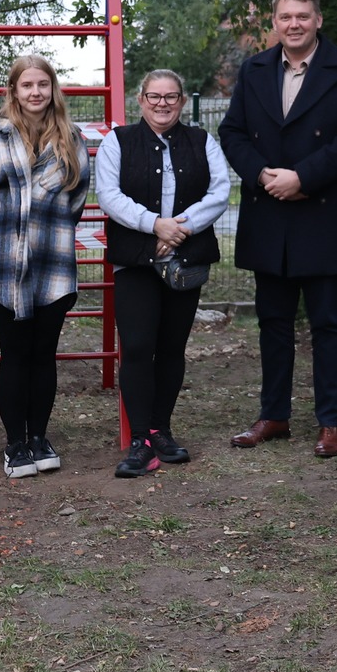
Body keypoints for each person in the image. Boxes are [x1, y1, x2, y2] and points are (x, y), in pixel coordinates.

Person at [217, 0, 337, 458]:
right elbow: (232, 132)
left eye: (302, 16)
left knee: (328, 324)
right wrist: (261, 174)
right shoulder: (254, 70)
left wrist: (304, 178)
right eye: (286, 16)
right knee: (273, 323)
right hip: (270, 214)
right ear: (275, 22)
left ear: (318, 20)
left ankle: (330, 422)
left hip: (324, 215)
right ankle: (274, 416)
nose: (294, 24)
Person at [94, 69, 232, 477]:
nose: (162, 104)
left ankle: (161, 430)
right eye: (154, 96)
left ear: (182, 102)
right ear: (140, 100)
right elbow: (109, 195)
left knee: (172, 348)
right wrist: (154, 225)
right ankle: (140, 440)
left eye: (171, 96)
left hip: (185, 258)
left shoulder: (202, 141)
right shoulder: (118, 141)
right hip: (135, 260)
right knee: (137, 346)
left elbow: (220, 192)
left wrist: (178, 229)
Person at [0, 53, 91, 479]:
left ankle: (40, 438)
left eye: (43, 84)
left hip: (54, 265)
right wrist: (0, 238)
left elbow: (76, 199)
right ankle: (15, 444)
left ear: (53, 89)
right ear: (14, 91)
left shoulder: (72, 138)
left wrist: (48, 232)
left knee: (44, 355)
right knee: (14, 355)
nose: (36, 92)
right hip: (4, 268)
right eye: (27, 85)